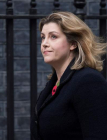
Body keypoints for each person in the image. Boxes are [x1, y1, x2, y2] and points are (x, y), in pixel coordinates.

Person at [30, 11, 107, 140]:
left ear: (73, 44)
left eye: (53, 36)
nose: (44, 43)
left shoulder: (88, 81)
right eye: (43, 37)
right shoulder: (54, 84)